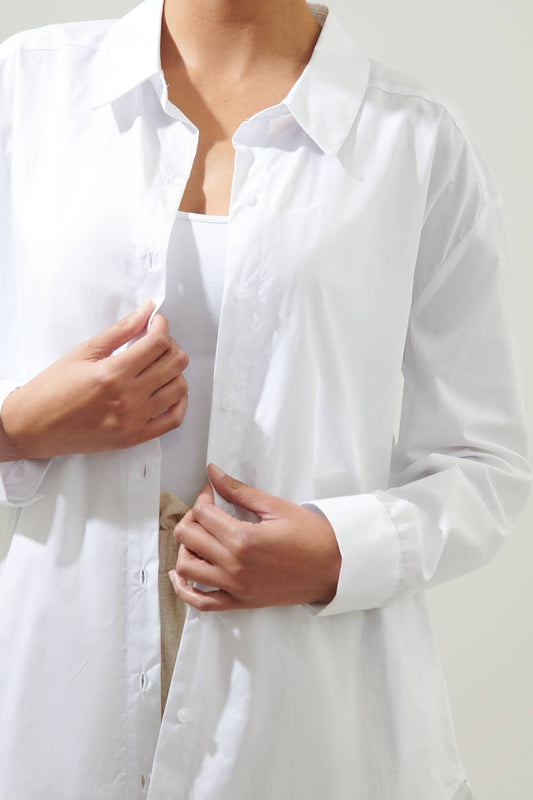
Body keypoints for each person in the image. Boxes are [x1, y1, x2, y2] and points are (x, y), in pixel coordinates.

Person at [0, 0, 530, 798]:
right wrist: (15, 428)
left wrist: (338, 552)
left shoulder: (412, 142)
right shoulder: (27, 91)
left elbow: (484, 462)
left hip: (308, 715)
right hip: (63, 695)